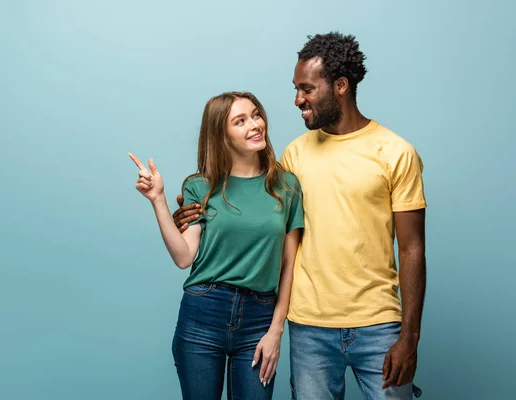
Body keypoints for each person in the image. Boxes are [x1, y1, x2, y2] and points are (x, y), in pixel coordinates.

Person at [173, 33, 427, 400]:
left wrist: (410, 336)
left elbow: (412, 248)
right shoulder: (292, 157)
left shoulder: (396, 152)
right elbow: (250, 204)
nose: (297, 100)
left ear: (340, 86)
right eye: (296, 89)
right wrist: (194, 211)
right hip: (309, 326)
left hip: (378, 322)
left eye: (306, 89)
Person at [129, 91, 304, 400]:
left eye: (256, 115)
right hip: (203, 312)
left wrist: (276, 330)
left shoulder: (286, 186)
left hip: (259, 317)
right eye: (240, 121)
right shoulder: (200, 186)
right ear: (221, 135)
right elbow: (184, 257)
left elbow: (290, 265)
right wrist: (157, 200)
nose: (254, 125)